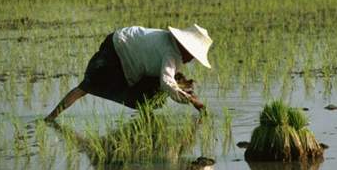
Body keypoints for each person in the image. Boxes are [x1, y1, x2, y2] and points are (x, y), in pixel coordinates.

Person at [45, 24, 212, 121]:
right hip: (118, 48)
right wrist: (191, 100)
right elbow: (167, 82)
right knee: (88, 85)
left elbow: (169, 82)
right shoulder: (171, 53)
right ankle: (50, 118)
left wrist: (188, 96)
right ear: (184, 47)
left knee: (153, 97)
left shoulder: (171, 47)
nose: (191, 59)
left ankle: (148, 121)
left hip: (130, 53)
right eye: (192, 55)